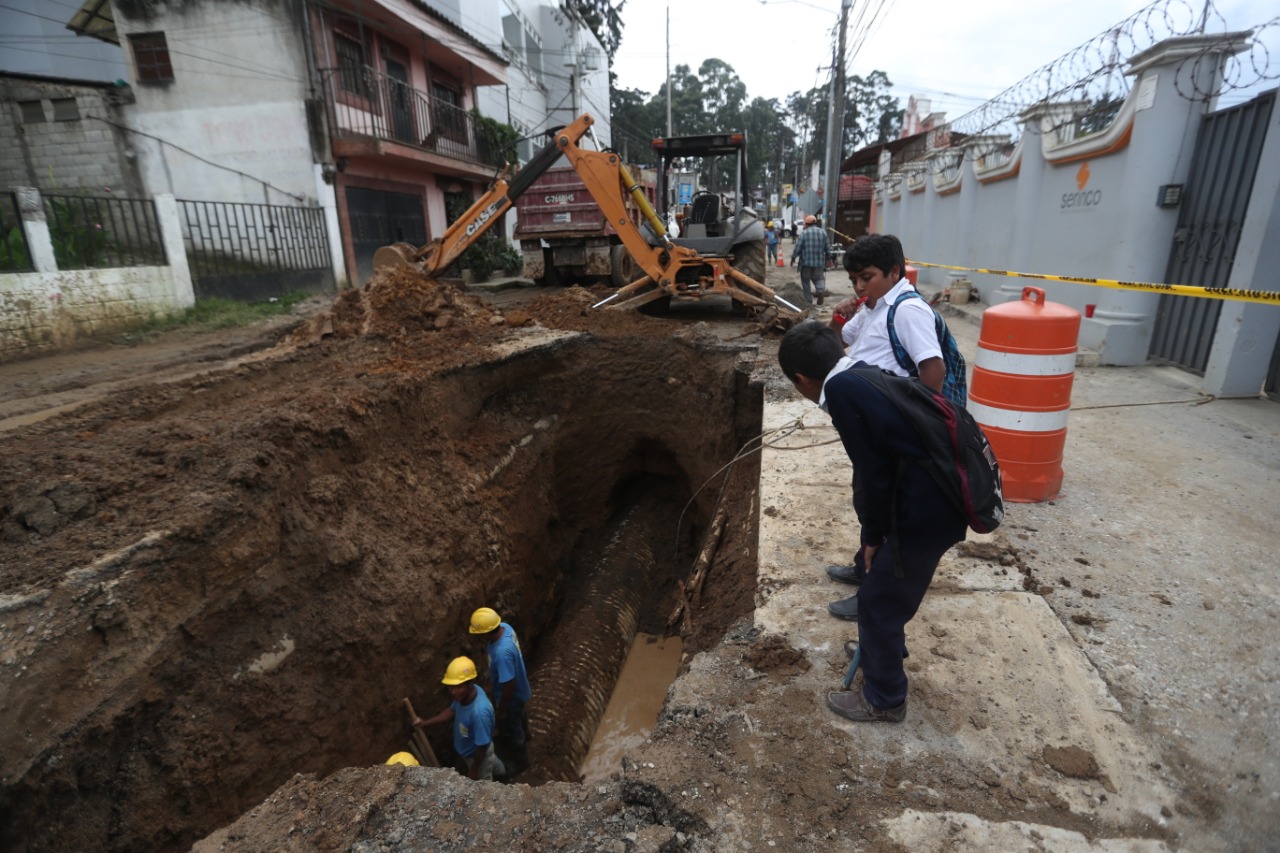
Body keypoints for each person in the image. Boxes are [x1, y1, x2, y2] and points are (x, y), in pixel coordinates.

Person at [777, 321, 967, 722]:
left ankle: (885, 699)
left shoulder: (843, 393)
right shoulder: (859, 373)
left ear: (801, 380)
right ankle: (883, 652)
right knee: (887, 590)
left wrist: (872, 538)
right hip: (931, 496)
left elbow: (873, 476)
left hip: (930, 508)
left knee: (878, 602)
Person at [821, 234, 954, 620]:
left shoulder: (908, 311)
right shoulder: (873, 307)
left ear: (895, 272)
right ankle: (863, 567)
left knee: (888, 512)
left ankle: (874, 594)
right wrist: (838, 318)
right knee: (869, 503)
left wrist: (917, 427)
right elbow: (835, 345)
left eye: (867, 277)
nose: (859, 287)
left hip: (896, 432)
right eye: (854, 280)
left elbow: (933, 369)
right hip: (872, 429)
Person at [412, 656, 505, 781]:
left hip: (477, 756)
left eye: (457, 687)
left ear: (469, 684)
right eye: (450, 686)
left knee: (484, 782)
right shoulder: (465, 697)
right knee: (492, 761)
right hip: (474, 752)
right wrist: (426, 723)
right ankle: (504, 773)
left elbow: (482, 746)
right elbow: (451, 711)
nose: (452, 692)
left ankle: (503, 781)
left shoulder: (479, 713)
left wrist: (474, 769)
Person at [468, 607, 531, 765]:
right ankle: (527, 735)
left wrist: (502, 708)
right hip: (521, 689)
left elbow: (509, 684)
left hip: (512, 697)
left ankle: (521, 759)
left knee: (513, 727)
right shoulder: (505, 627)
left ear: (486, 633)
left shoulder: (502, 653)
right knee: (519, 716)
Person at [790, 214, 830, 305]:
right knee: (819, 278)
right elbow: (828, 247)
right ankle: (820, 290)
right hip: (819, 263)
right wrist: (829, 258)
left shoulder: (804, 234)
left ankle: (809, 301)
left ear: (807, 224)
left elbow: (798, 248)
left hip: (805, 263)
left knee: (805, 281)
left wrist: (793, 258)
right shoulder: (823, 232)